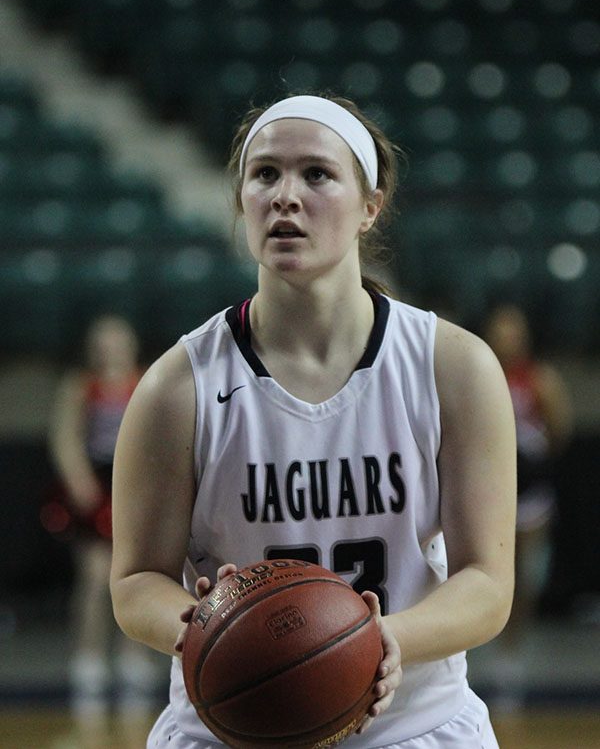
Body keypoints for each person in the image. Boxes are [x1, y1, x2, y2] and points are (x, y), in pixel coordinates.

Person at [110, 94, 517, 748]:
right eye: (264, 174)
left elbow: (488, 585)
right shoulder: (176, 386)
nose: (285, 196)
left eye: (317, 174)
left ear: (370, 206)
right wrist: (206, 624)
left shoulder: (455, 367)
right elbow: (134, 582)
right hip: (227, 730)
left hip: (415, 727)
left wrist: (380, 642)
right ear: (241, 200)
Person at [49, 315, 160, 745]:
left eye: (118, 340)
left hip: (132, 484)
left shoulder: (146, 380)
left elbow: (158, 434)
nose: (111, 348)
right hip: (96, 486)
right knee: (96, 578)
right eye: (103, 341)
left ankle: (133, 660)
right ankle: (89, 661)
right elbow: (66, 436)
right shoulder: (81, 385)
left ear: (130, 344)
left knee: (134, 576)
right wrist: (79, 481)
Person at [482, 303, 572, 707]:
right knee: (483, 564)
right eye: (500, 331)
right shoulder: (477, 371)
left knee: (524, 575)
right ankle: (483, 646)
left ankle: (512, 653)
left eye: (512, 331)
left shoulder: (539, 379)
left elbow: (559, 431)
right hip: (487, 486)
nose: (506, 338)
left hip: (529, 490)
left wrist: (532, 455)